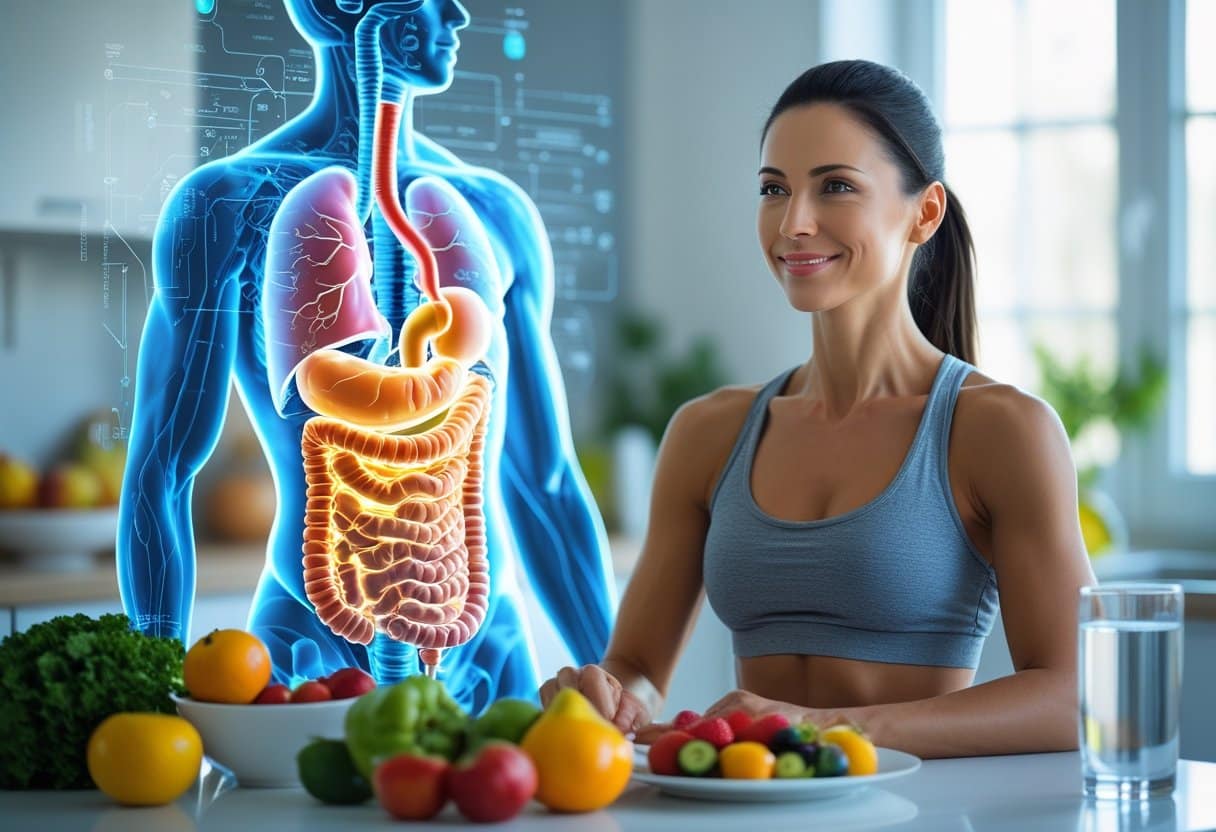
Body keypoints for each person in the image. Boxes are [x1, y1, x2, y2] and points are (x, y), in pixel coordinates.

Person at [539, 60, 1097, 759]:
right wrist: (604, 697)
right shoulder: (708, 431)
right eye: (774, 190)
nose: (794, 222)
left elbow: (1076, 696)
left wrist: (825, 726)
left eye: (836, 187)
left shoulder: (1000, 430)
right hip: (753, 808)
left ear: (923, 213)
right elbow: (641, 671)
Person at [117, 0, 617, 713]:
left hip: (481, 644)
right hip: (311, 639)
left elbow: (545, 481)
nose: (460, 14)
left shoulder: (496, 210)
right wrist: (147, 692)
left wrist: (623, 681)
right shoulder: (226, 202)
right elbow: (163, 468)